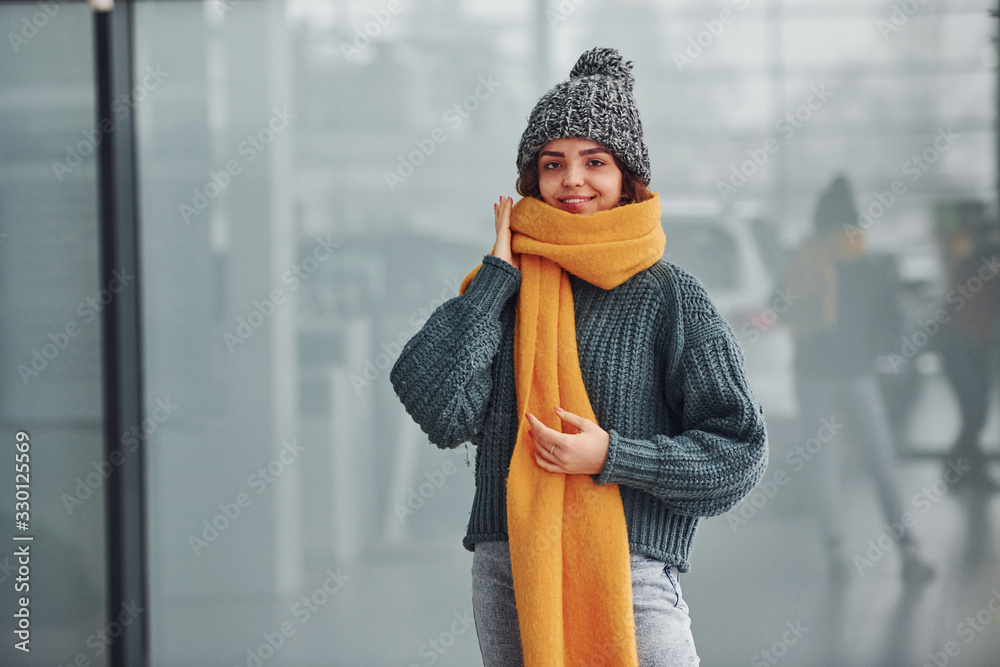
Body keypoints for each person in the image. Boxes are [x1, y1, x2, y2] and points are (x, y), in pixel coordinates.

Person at [390, 47, 767, 667]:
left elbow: (738, 451)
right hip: (509, 567)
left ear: (627, 179)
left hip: (631, 567)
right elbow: (440, 409)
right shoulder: (504, 288)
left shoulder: (667, 294)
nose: (572, 180)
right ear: (529, 178)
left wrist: (614, 456)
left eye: (595, 161)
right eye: (552, 163)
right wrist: (495, 277)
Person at [783, 173, 935, 583]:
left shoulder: (804, 258)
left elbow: (780, 306)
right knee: (880, 458)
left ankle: (835, 552)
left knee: (823, 463)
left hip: (812, 371)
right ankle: (908, 548)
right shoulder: (868, 263)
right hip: (856, 372)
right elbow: (890, 320)